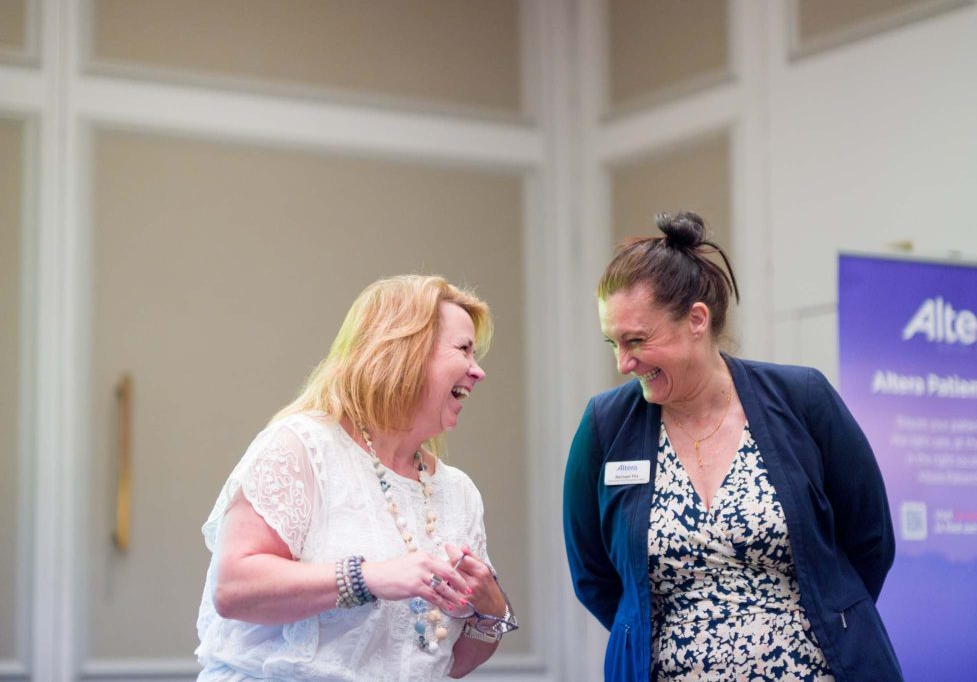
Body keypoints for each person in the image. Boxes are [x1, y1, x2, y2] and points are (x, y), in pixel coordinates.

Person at [563, 212, 903, 681]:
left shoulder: (802, 399)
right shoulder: (606, 426)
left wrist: (829, 618)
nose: (623, 363)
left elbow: (871, 540)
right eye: (612, 342)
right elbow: (593, 575)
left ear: (697, 319)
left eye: (637, 339)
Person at [196, 274, 518, 681]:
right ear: (405, 351)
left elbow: (448, 663)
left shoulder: (459, 493)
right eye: (463, 350)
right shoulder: (304, 447)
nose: (478, 372)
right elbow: (233, 589)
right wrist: (369, 577)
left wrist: (491, 611)